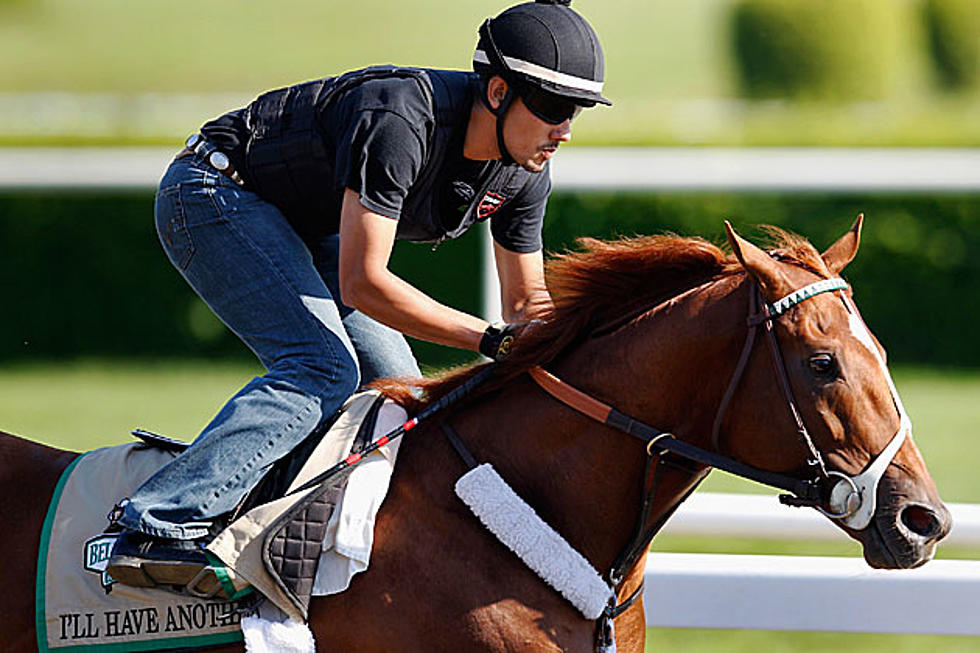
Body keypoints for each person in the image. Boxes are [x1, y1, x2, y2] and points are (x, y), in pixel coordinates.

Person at [106, 0, 609, 590]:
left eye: (575, 110)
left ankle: (280, 533)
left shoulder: (524, 171)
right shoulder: (400, 120)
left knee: (397, 396)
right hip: (213, 193)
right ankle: (155, 526)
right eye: (552, 107)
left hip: (299, 225)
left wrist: (582, 355)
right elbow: (364, 282)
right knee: (321, 369)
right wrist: (487, 339)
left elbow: (527, 305)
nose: (565, 129)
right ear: (497, 91)